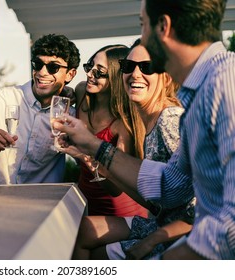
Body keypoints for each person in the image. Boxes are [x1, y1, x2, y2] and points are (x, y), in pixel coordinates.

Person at [55, 0, 235, 259]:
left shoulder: (224, 85)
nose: (141, 39)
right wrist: (92, 146)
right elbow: (171, 185)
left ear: (163, 26)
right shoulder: (200, 95)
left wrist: (160, 257)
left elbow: (227, 223)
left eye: (143, 25)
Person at [72, 40, 194, 260]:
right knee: (82, 230)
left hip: (184, 237)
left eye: (146, 67)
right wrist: (91, 161)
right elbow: (153, 199)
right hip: (161, 222)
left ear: (165, 77)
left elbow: (206, 206)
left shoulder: (170, 119)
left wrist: (151, 241)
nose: (135, 74)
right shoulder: (148, 122)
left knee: (98, 255)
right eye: (129, 67)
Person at [0, 34, 80, 184]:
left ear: (70, 74)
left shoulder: (71, 117)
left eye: (53, 67)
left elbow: (86, 164)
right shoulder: (1, 99)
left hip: (43, 203)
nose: (42, 72)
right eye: (37, 64)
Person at [66, 44, 146, 217]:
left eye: (99, 72)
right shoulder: (81, 93)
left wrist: (82, 155)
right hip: (84, 200)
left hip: (118, 209)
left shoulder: (122, 124)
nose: (89, 74)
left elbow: (115, 187)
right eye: (90, 66)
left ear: (116, 78)